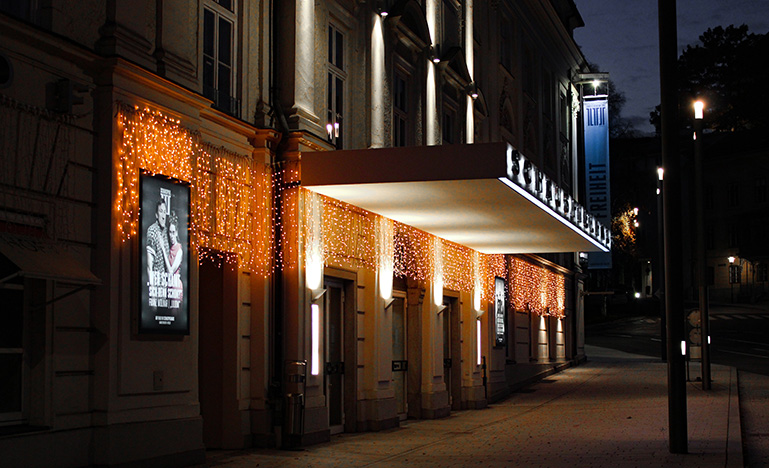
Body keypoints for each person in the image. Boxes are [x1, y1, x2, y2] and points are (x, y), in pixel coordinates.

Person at [146, 198, 169, 289]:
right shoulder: (152, 231)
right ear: (156, 215)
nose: (163, 216)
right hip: (157, 286)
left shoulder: (167, 231)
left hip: (167, 285)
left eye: (164, 212)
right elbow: (149, 266)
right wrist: (152, 289)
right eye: (161, 211)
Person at [164, 212, 183, 308]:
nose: (171, 235)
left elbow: (171, 271)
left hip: (175, 286)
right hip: (169, 286)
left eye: (173, 232)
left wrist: (163, 251)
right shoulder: (169, 247)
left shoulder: (179, 250)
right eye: (169, 232)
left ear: (177, 232)